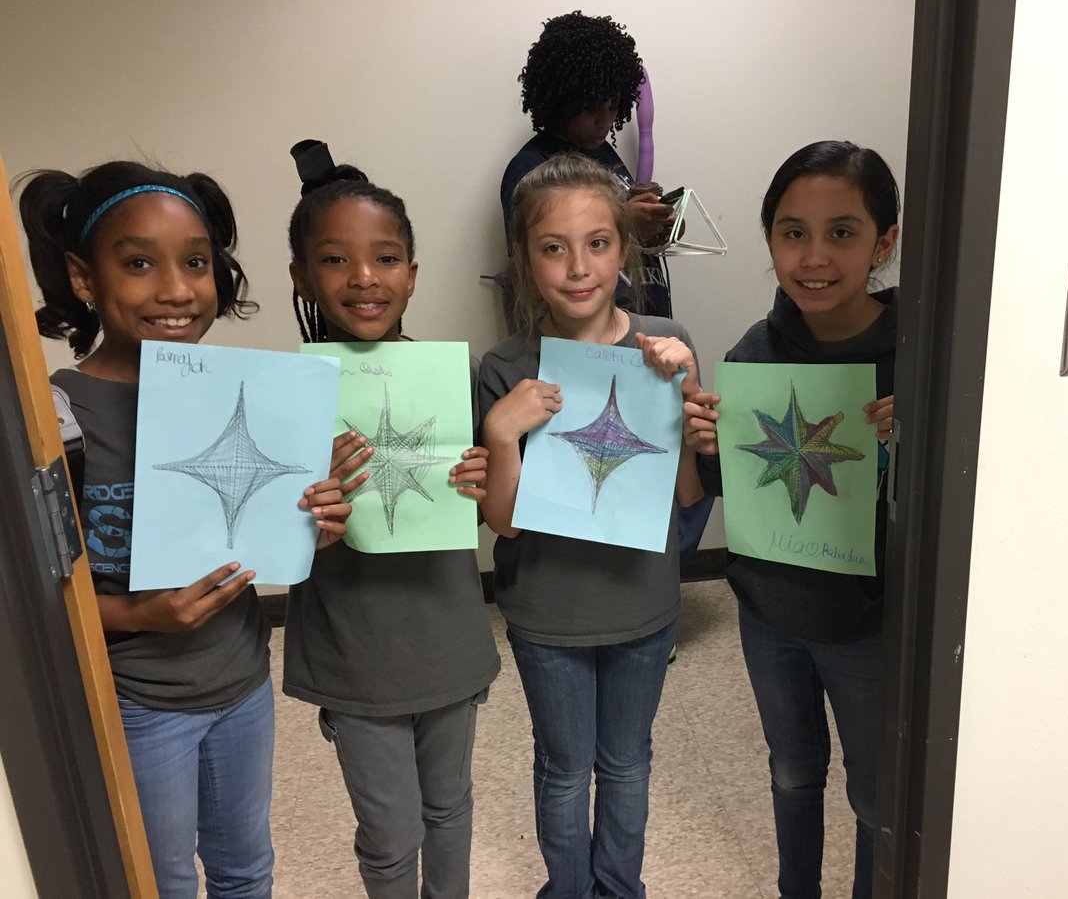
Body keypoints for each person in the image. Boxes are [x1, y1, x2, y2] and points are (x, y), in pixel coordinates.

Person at [19, 160, 355, 899]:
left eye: (196, 263)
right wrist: (141, 614)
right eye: (139, 263)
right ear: (83, 277)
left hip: (241, 679)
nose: (176, 290)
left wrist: (315, 527)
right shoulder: (58, 419)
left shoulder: (245, 393)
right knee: (162, 882)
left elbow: (261, 536)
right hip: (138, 700)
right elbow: (40, 600)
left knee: (247, 870)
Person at [478, 152, 704, 899]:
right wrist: (501, 433)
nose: (578, 267)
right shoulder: (506, 366)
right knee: (565, 769)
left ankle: (620, 889)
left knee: (628, 762)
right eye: (554, 248)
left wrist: (686, 394)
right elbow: (503, 523)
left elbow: (688, 493)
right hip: (549, 615)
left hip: (644, 604)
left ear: (624, 249)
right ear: (524, 259)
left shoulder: (665, 343)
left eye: (598, 243)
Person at [282, 140, 500, 899]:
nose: (364, 278)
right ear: (302, 277)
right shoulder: (287, 392)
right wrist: (308, 508)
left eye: (385, 258)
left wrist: (482, 479)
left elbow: (481, 514)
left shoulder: (454, 377)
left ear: (412, 272)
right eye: (334, 260)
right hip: (355, 654)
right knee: (390, 832)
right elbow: (272, 541)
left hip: (447, 639)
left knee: (450, 807)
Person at [683, 140, 899, 899]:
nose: (814, 257)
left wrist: (918, 439)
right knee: (792, 771)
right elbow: (728, 491)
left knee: (877, 794)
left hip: (871, 622)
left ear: (884, 242)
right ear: (770, 238)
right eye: (792, 232)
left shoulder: (921, 357)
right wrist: (706, 444)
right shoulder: (753, 354)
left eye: (842, 232)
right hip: (771, 613)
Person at [500, 10, 674, 322]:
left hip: (640, 325)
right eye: (593, 109)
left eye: (613, 107)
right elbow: (540, 263)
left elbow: (625, 242)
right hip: (584, 337)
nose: (604, 121)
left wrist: (656, 223)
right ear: (563, 100)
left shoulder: (603, 152)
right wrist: (626, 222)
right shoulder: (531, 167)